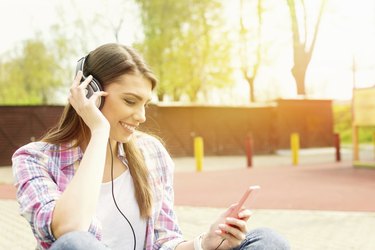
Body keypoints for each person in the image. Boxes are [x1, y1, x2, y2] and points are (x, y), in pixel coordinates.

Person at [12, 43, 290, 250]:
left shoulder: (151, 153)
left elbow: (165, 242)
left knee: (268, 241)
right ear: (90, 92)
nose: (142, 117)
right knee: (76, 244)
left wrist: (206, 242)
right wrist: (99, 131)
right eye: (131, 101)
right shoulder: (34, 160)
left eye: (145, 104)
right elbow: (69, 230)